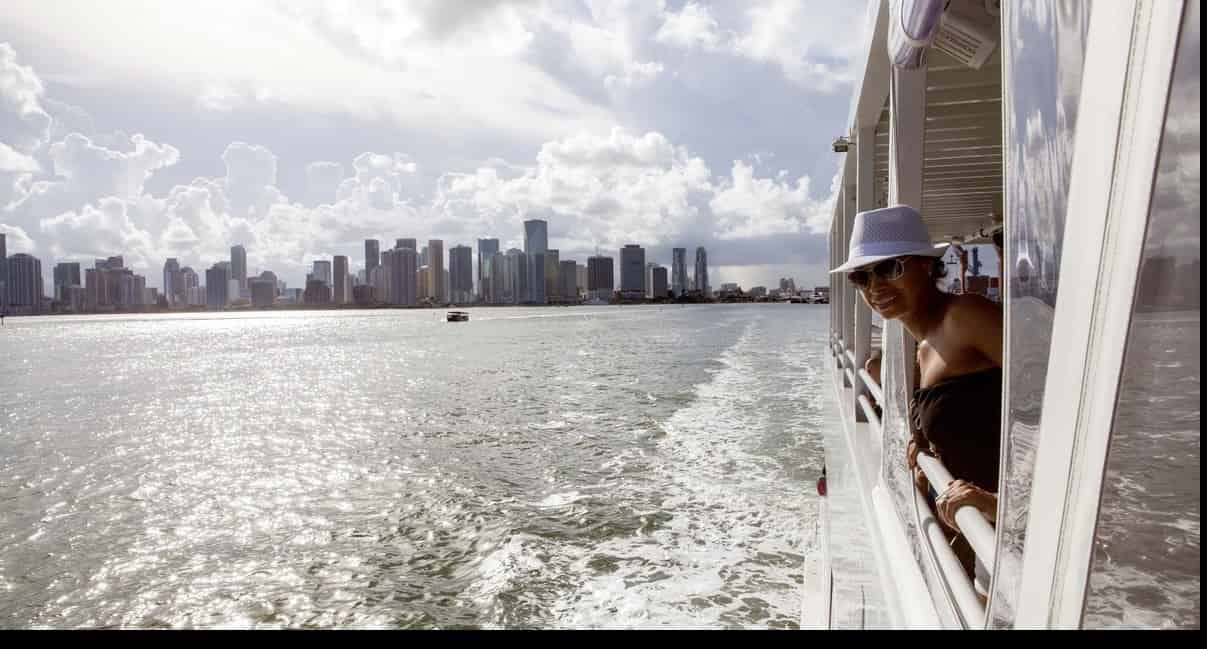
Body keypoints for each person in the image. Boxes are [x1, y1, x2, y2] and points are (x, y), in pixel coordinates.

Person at [831, 204, 1003, 586]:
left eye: (890, 268)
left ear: (927, 264)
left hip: (1019, 528)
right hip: (987, 534)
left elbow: (1059, 407)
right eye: (862, 276)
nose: (875, 287)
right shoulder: (920, 344)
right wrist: (926, 440)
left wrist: (997, 501)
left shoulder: (963, 317)